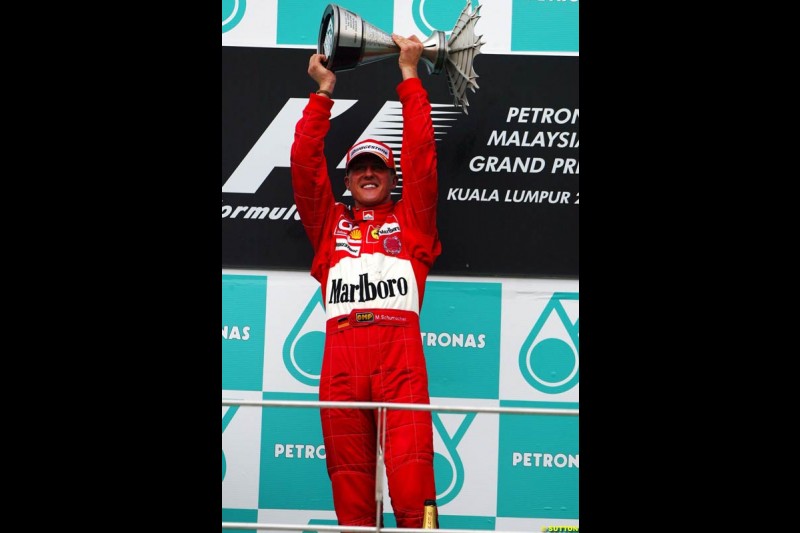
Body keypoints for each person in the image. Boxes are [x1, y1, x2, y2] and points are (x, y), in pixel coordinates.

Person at [290, 33, 441, 529]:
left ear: (391, 177)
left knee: (413, 486)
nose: (369, 173)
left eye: (378, 166)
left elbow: (421, 154)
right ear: (349, 178)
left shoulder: (414, 220)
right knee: (351, 497)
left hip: (400, 360)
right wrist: (323, 93)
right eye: (360, 167)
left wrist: (410, 76)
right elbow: (304, 166)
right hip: (342, 362)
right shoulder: (329, 224)